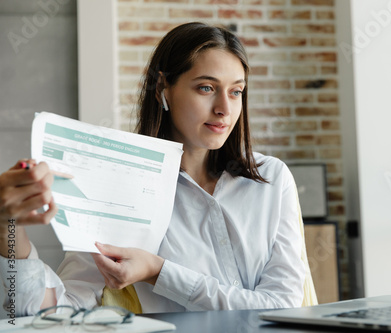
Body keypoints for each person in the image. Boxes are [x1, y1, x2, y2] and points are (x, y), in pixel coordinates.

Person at [0, 22, 309, 316]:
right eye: (206, 88)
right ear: (163, 88)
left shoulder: (272, 179)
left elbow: (284, 307)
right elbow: (52, 313)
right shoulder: (117, 191)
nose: (224, 110)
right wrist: (8, 231)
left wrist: (159, 272)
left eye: (236, 91)